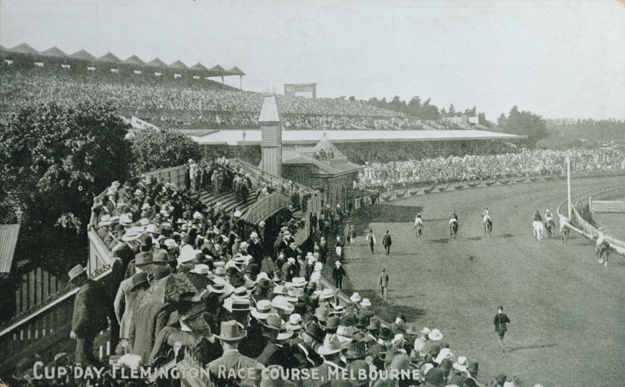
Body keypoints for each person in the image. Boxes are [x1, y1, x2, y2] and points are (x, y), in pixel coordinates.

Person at [68, 265, 110, 366]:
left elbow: (84, 315)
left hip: (85, 330)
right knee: (89, 357)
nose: (74, 284)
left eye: (74, 281)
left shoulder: (84, 292)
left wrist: (75, 329)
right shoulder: (96, 285)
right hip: (96, 327)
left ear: (81, 278)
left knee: (82, 358)